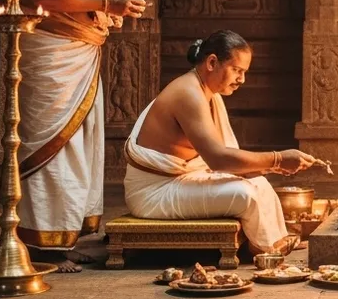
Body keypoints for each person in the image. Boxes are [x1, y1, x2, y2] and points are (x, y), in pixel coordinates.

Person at [13, 0, 147, 271]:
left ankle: (62, 237)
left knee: (77, 146)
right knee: (53, 148)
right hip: (53, 52)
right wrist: (106, 1)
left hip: (81, 52)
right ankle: (40, 244)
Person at [125, 31, 317, 255]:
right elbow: (218, 159)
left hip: (180, 179)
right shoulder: (188, 93)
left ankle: (274, 241)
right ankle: (263, 249)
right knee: (244, 194)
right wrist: (278, 159)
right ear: (212, 62)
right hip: (154, 192)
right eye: (237, 70)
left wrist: (270, 166)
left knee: (259, 183)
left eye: (244, 72)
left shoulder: (208, 93)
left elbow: (225, 157)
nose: (242, 80)